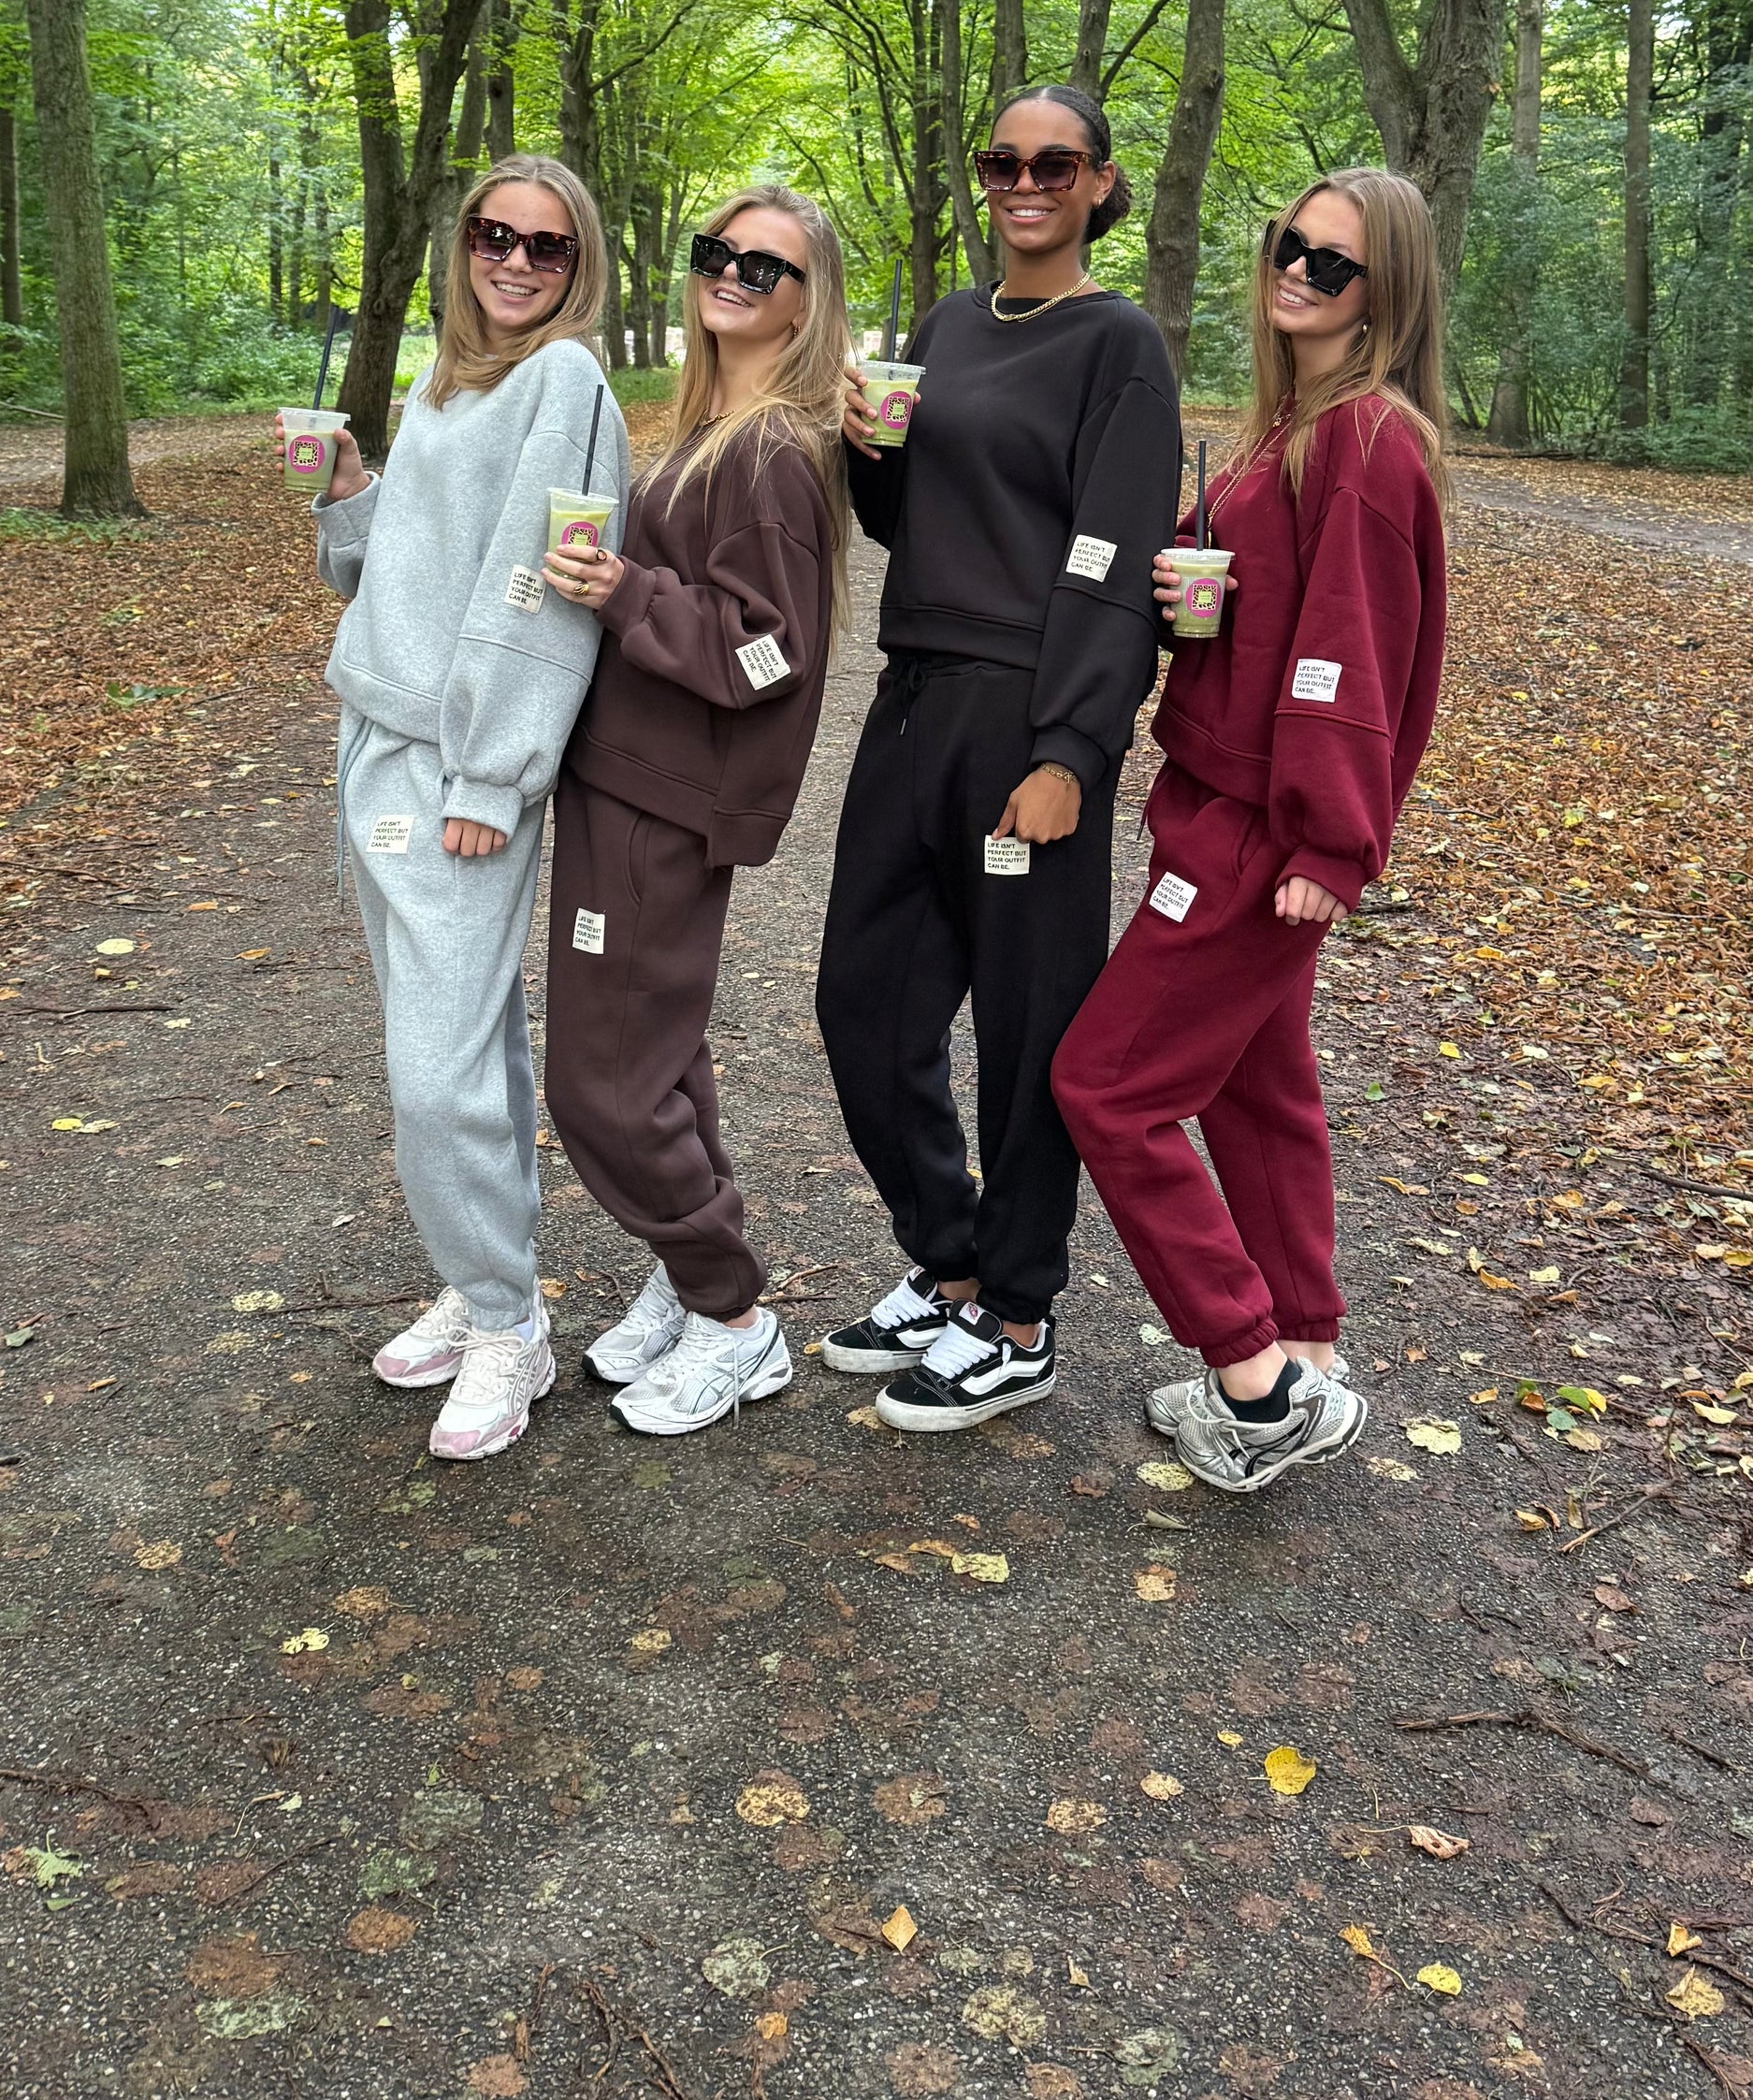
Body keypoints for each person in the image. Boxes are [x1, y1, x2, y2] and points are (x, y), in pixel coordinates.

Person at [1051, 168, 1448, 1494]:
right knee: (1256, 1088)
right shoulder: (1292, 426)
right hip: (1226, 810)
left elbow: (1352, 657)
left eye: (1332, 264)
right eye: (1290, 246)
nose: (1298, 272)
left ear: (1384, 292)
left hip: (1258, 831)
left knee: (1106, 1086)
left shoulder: (1366, 442)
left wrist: (1330, 847)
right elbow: (1266, 609)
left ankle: (1252, 1378)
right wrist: (1189, 591)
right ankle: (1304, 1352)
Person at [814, 86, 1181, 1429]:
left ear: (1099, 183)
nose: (1025, 183)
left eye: (1054, 164)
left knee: (1028, 1028)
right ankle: (949, 1258)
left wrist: (1073, 748)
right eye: (1002, 162)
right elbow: (900, 518)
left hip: (1028, 716)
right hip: (913, 701)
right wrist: (868, 451)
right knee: (864, 1001)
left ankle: (1018, 1313)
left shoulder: (1118, 344)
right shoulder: (948, 325)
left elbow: (1118, 555)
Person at [298, 154, 628, 1463]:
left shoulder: (565, 380)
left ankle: (506, 1324)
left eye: (547, 247)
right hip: (373, 737)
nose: (515, 262)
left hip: (455, 766)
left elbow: (542, 581)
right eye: (496, 236)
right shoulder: (450, 374)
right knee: (455, 1044)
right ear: (464, 245)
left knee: (433, 1075)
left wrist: (494, 770)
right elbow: (405, 568)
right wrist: (349, 496)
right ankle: (484, 1282)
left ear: (578, 264)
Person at [539, 186, 852, 1437]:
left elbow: (767, 653)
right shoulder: (705, 426)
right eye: (717, 253)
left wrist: (623, 591)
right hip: (623, 778)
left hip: (660, 801)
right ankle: (690, 1279)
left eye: (765, 266)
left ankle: (732, 1318)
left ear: (808, 300)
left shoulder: (769, 453)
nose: (732, 274)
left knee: (603, 1081)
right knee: (655, 1055)